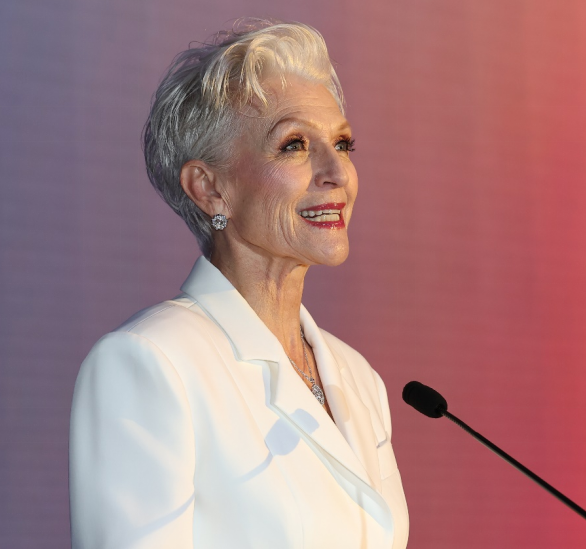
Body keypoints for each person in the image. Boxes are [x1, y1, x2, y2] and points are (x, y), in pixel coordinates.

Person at [69, 19, 409, 548]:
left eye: (343, 144)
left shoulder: (357, 377)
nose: (337, 173)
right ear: (209, 189)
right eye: (294, 145)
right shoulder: (150, 362)